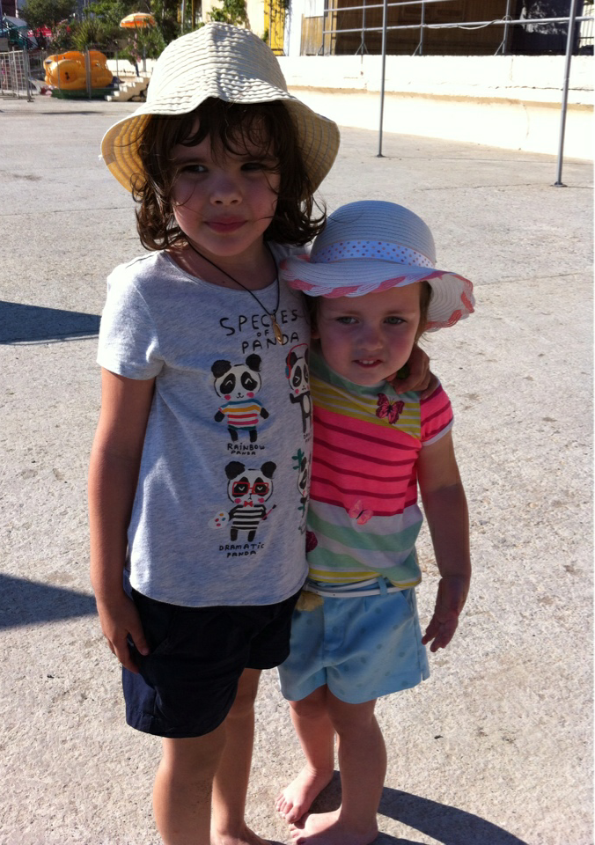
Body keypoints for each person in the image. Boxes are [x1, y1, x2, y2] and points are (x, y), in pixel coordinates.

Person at [91, 24, 429, 845]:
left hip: (275, 568)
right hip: (181, 584)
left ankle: (230, 826)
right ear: (159, 180)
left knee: (242, 705)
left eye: (251, 167)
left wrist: (412, 361)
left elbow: (364, 325)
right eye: (194, 168)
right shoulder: (146, 293)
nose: (226, 193)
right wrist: (106, 581)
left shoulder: (296, 273)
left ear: (285, 177)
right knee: (189, 747)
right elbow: (117, 447)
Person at [275, 200, 475, 845]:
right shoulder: (295, 372)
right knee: (304, 700)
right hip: (293, 586)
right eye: (348, 319)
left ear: (421, 323)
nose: (372, 341)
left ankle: (358, 822)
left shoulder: (422, 398)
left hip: (374, 593)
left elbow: (442, 487)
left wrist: (455, 574)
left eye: (395, 320)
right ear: (313, 318)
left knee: (354, 715)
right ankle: (316, 767)